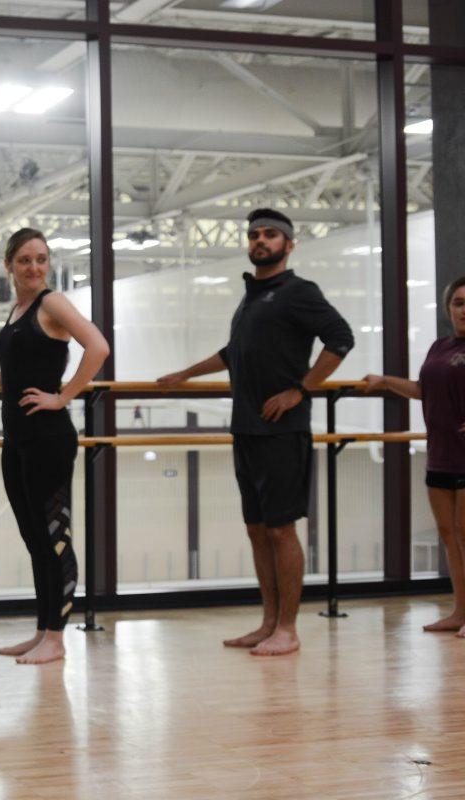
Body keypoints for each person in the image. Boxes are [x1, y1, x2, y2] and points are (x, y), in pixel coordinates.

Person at [158, 208, 354, 657]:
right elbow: (234, 353)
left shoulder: (298, 292)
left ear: (289, 243)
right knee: (257, 530)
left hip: (283, 432)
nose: (260, 241)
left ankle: (288, 628)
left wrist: (300, 391)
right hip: (246, 428)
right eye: (254, 235)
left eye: (270, 235)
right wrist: (183, 375)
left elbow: (340, 339)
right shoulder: (252, 296)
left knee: (282, 530)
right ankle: (268, 623)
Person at [0, 228, 109, 665]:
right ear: (9, 266)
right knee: (35, 538)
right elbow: (16, 373)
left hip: (49, 438)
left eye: (41, 259)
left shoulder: (51, 303)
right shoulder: (19, 310)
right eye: (25, 260)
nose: (34, 267)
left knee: (54, 538)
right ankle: (42, 630)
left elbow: (98, 347)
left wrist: (63, 396)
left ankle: (56, 638)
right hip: (17, 437)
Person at [363, 276, 465, 635]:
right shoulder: (440, 347)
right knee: (449, 535)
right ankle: (459, 611)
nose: (464, 310)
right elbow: (425, 390)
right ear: (448, 308)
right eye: (458, 303)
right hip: (440, 455)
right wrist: (386, 381)